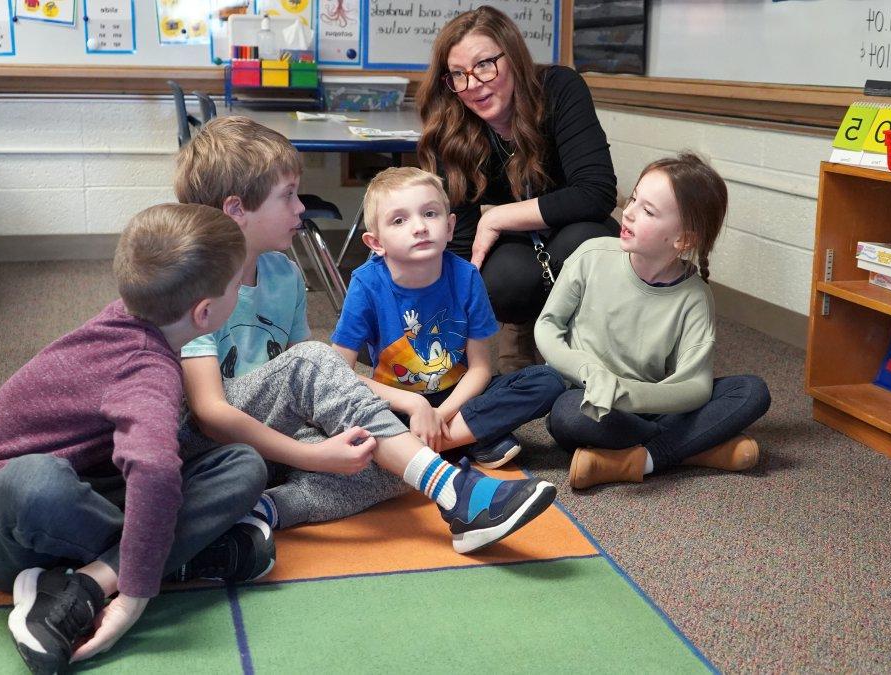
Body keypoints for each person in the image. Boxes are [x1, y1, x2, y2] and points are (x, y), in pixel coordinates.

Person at [176, 116, 558, 554]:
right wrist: (312, 457)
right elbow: (210, 413)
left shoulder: (284, 272)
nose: (301, 208)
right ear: (236, 210)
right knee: (332, 380)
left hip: (279, 434)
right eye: (288, 196)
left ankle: (265, 510)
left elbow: (320, 381)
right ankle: (455, 492)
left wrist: (403, 411)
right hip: (215, 442)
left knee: (378, 457)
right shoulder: (198, 283)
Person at [0, 204, 269, 673]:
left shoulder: (130, 317)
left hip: (80, 499)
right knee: (40, 480)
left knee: (242, 464)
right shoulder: (146, 368)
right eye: (237, 285)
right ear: (205, 312)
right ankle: (160, 566)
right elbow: (152, 469)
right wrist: (133, 599)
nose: (241, 290)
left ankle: (81, 585)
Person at [535, 153, 772, 489]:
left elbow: (694, 387)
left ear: (684, 240)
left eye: (647, 211)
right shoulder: (591, 256)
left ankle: (640, 459)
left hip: (649, 402)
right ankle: (695, 449)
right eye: (633, 199)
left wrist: (630, 395)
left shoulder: (694, 297)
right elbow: (547, 326)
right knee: (567, 416)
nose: (628, 212)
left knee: (752, 392)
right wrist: (590, 372)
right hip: (593, 401)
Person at [417, 5, 618, 373]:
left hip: (574, 222)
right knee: (500, 281)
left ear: (513, 56)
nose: (473, 84)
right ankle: (522, 325)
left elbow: (596, 192)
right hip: (519, 242)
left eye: (484, 65)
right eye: (457, 74)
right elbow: (460, 239)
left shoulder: (559, 88)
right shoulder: (452, 124)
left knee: (587, 247)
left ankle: (582, 341)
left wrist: (499, 217)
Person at [331, 167, 566, 469]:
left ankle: (425, 445)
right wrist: (415, 406)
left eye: (430, 214)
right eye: (399, 220)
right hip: (397, 404)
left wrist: (439, 416)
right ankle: (470, 439)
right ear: (376, 243)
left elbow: (480, 369)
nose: (419, 227)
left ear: (450, 226)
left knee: (546, 380)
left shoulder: (466, 276)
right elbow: (340, 374)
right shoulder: (366, 284)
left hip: (458, 400)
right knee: (346, 413)